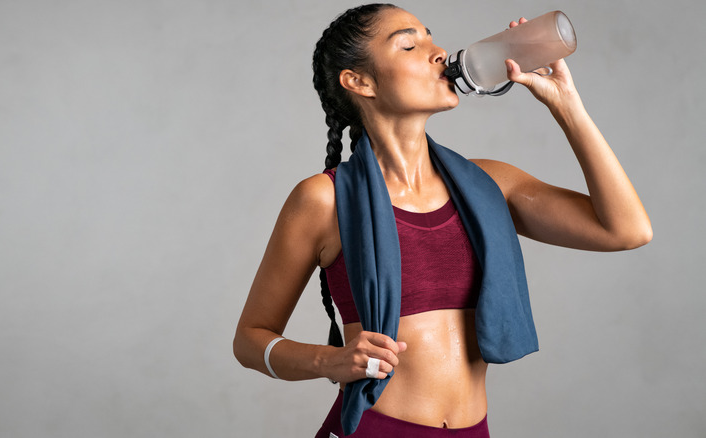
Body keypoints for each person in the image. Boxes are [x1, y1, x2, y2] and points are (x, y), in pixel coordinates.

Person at [233, 3, 652, 437]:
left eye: (432, 38)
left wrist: (568, 108)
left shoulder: (491, 184)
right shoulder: (325, 198)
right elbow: (250, 338)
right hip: (375, 428)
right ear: (359, 81)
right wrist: (330, 360)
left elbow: (626, 230)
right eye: (411, 44)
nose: (439, 52)